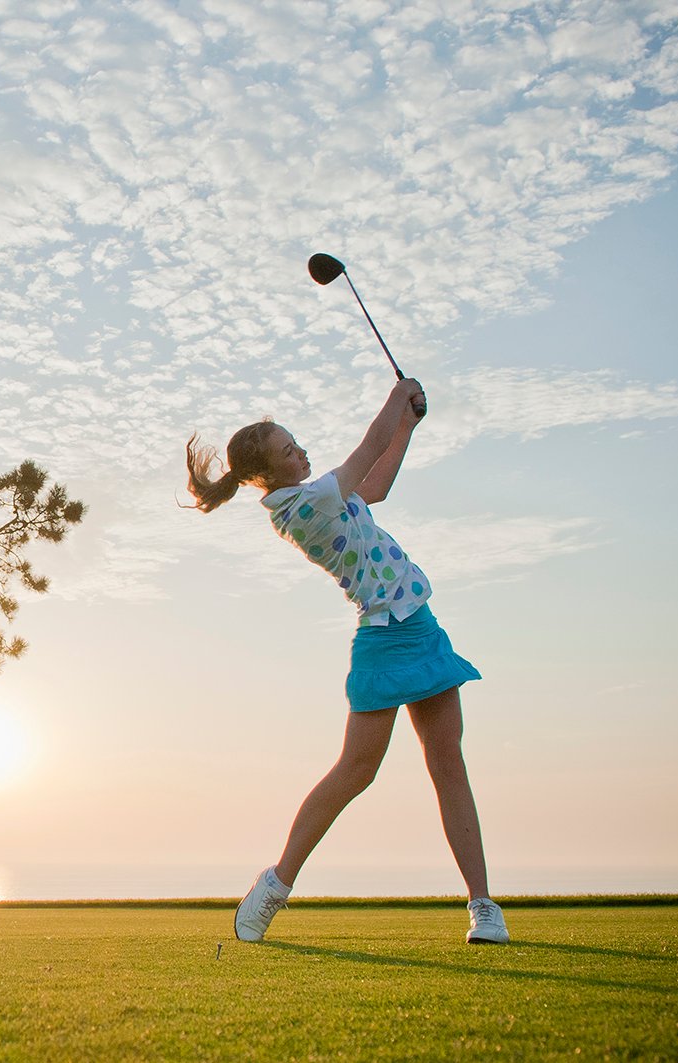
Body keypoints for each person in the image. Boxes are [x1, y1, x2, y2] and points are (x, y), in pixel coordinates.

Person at [184, 378, 509, 945]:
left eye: (295, 442)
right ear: (266, 475)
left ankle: (483, 906)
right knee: (357, 771)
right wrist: (397, 396)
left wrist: (405, 423)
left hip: (420, 624)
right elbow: (365, 454)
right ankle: (274, 886)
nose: (300, 452)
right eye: (289, 450)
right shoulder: (301, 506)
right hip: (382, 638)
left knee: (447, 761)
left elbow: (375, 484)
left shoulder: (324, 493)